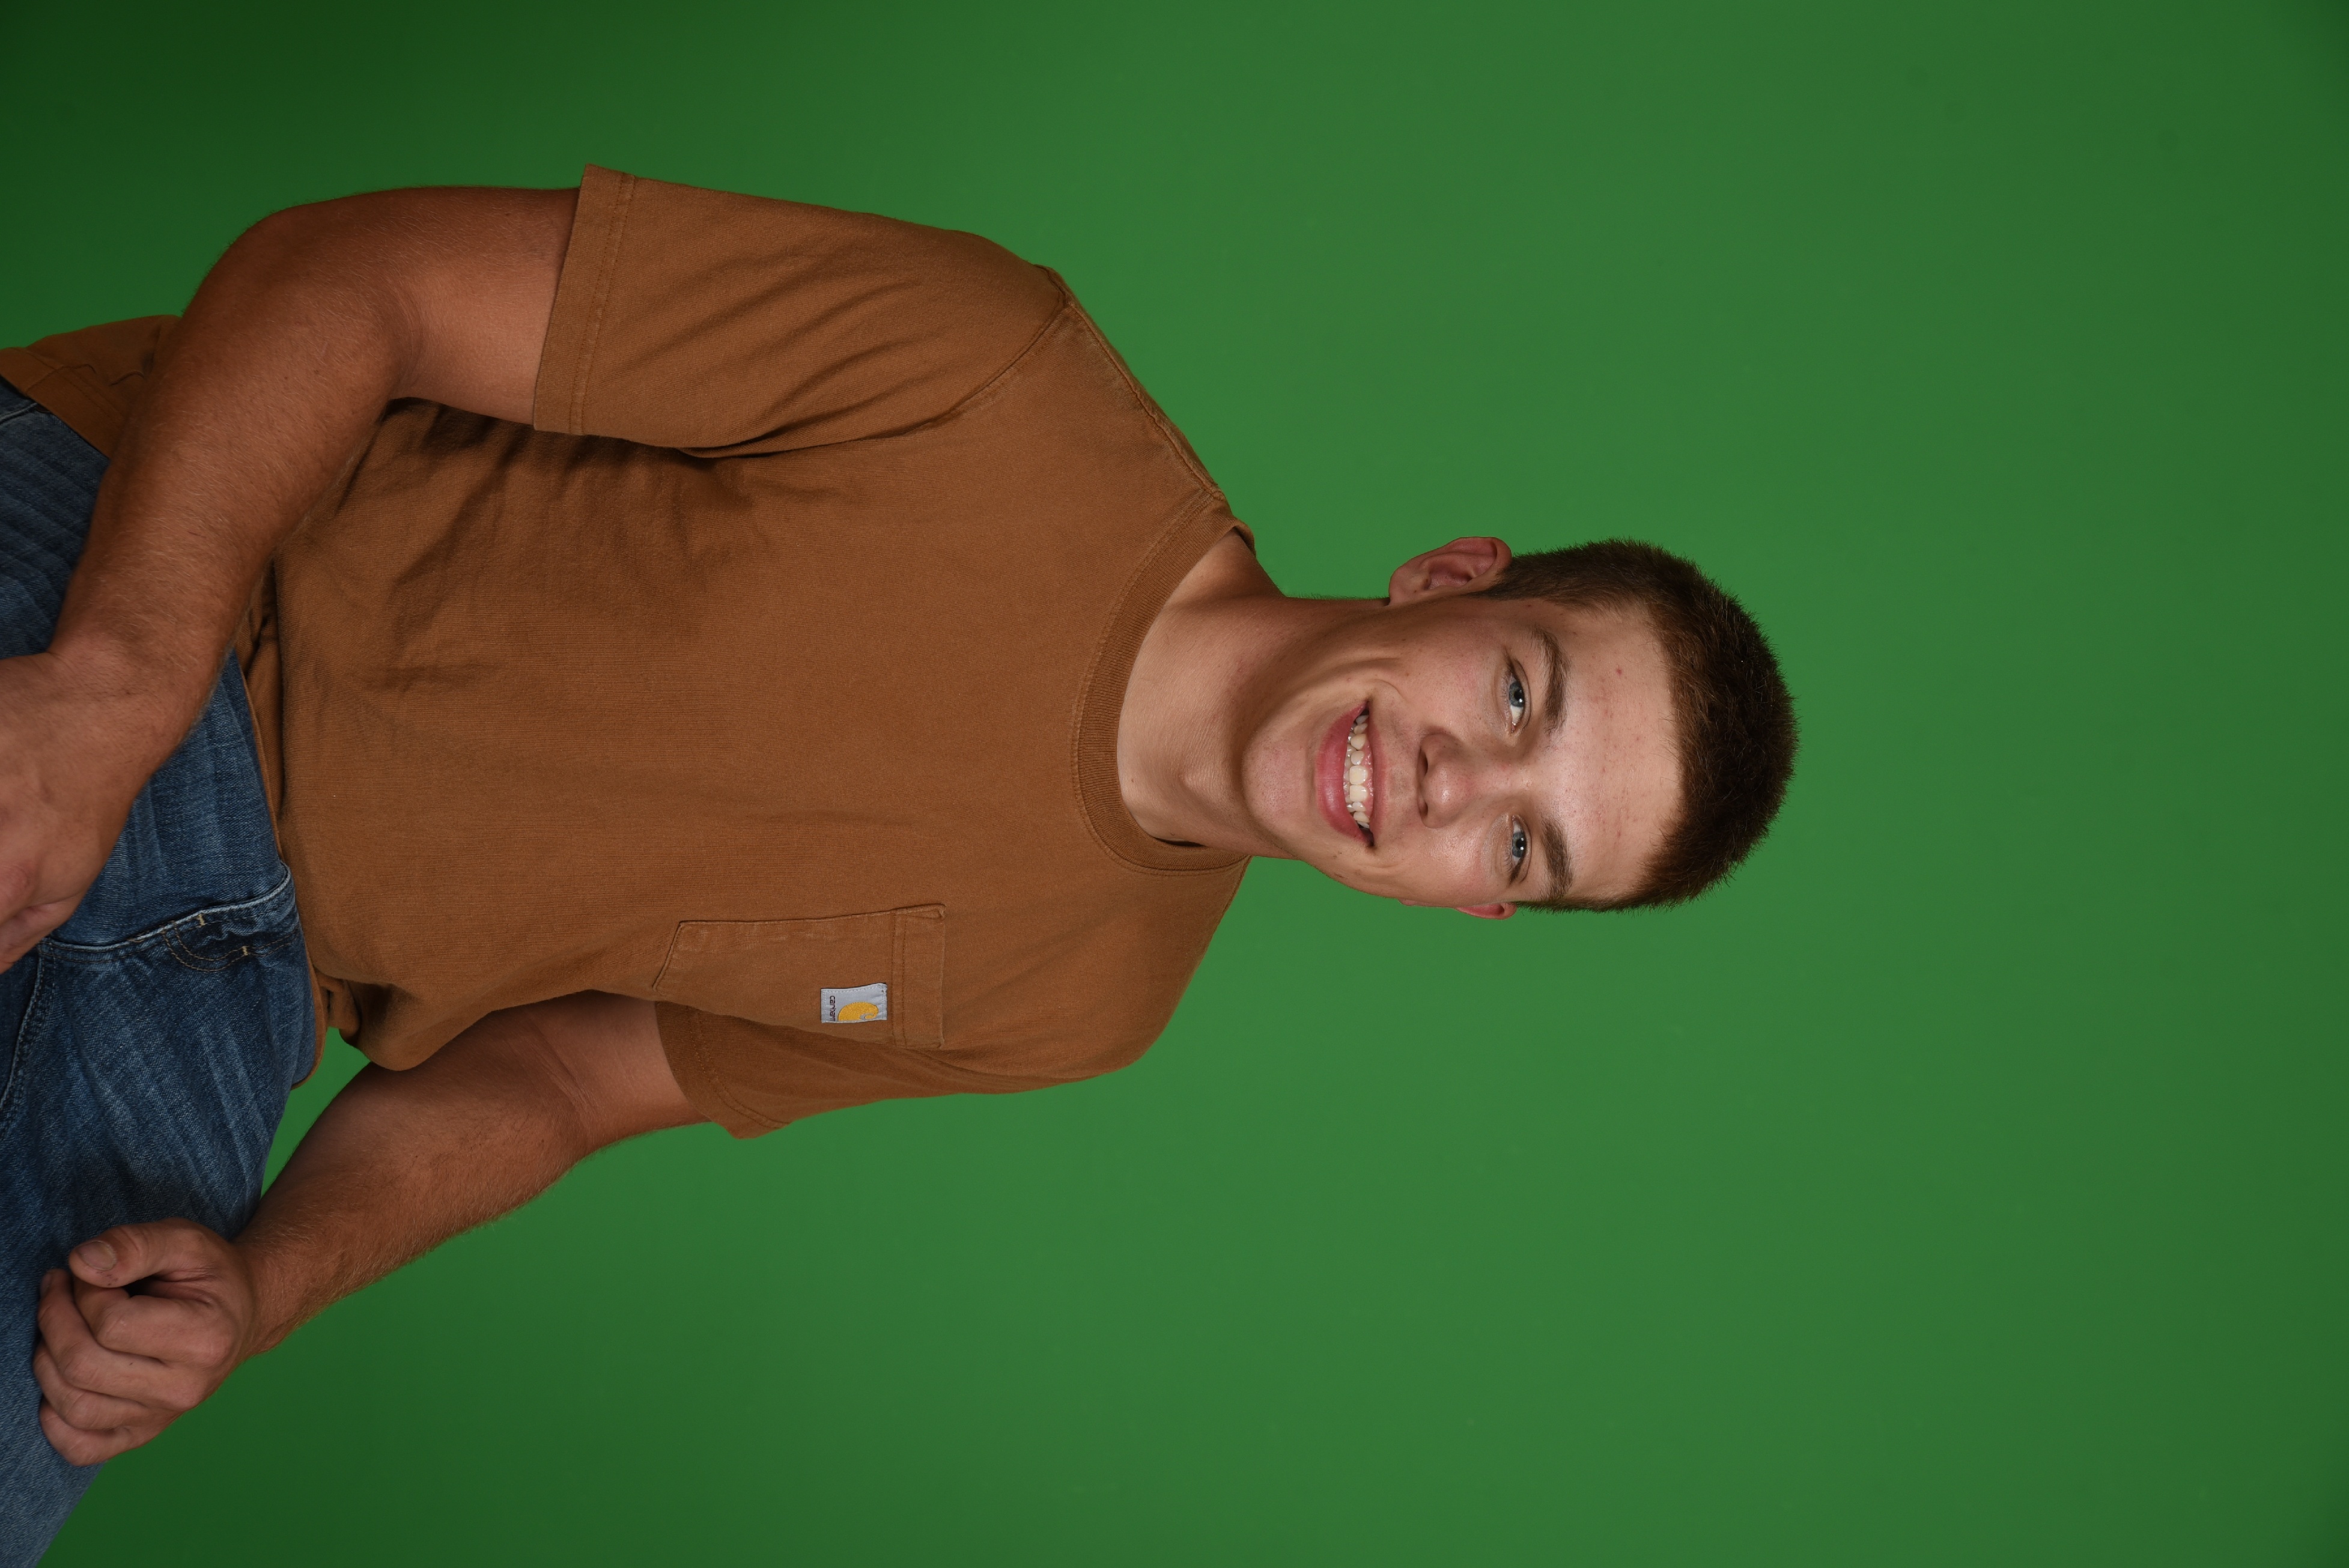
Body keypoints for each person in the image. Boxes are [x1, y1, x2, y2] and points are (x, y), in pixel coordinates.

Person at [0, 169, 1796, 1561]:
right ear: (1453, 578)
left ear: (1475, 902)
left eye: (1523, 838)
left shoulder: (1094, 1000)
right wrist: (117, 681)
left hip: (234, 987)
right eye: (1517, 692)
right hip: (126, 583)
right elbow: (351, 277)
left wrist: (266, 1288)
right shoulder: (996, 374)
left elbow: (553, 1080)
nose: (1454, 780)